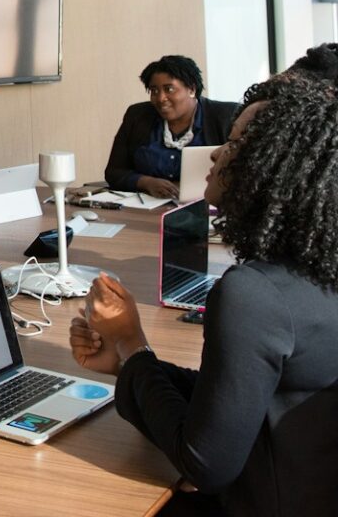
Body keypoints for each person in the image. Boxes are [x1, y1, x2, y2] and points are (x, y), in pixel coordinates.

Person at [71, 80, 338, 515]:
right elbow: (239, 396)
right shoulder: (317, 272)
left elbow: (206, 465)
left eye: (234, 144)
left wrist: (132, 343)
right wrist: (130, 363)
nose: (216, 152)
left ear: (274, 167)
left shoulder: (254, 294)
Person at [105, 55, 236, 198]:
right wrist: (146, 182)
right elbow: (114, 172)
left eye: (169, 89)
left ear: (191, 89)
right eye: (154, 91)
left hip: (209, 206)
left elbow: (243, 173)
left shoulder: (226, 116)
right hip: (148, 207)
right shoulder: (137, 116)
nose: (161, 98)